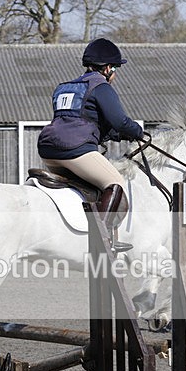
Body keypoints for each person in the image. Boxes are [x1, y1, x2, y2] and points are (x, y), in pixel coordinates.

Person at [37, 38, 144, 251]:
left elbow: (81, 120)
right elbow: (119, 121)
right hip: (75, 150)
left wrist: (115, 135)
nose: (115, 74)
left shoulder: (63, 87)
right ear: (107, 68)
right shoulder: (101, 87)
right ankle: (102, 241)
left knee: (89, 187)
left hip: (48, 150)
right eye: (115, 69)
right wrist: (137, 132)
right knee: (116, 184)